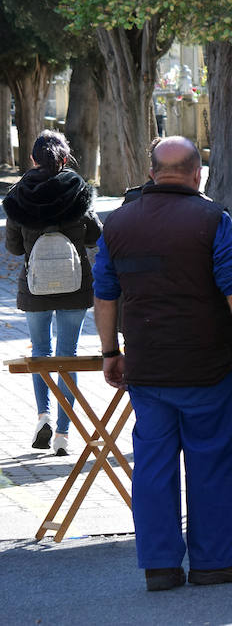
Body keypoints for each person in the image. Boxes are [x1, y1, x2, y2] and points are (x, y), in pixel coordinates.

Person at [92, 137, 232, 592]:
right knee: (214, 462)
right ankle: (214, 562)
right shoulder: (212, 218)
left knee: (153, 466)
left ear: (153, 172)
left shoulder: (117, 223)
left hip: (147, 369)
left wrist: (110, 353)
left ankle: (160, 566)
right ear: (198, 174)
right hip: (206, 367)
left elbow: (104, 292)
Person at [3, 130, 102, 457]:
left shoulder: (20, 194)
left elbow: (15, 248)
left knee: (41, 353)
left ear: (32, 159)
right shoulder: (79, 190)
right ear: (65, 158)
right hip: (75, 287)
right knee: (68, 355)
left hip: (36, 287)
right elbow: (93, 237)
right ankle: (62, 432)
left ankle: (43, 415)